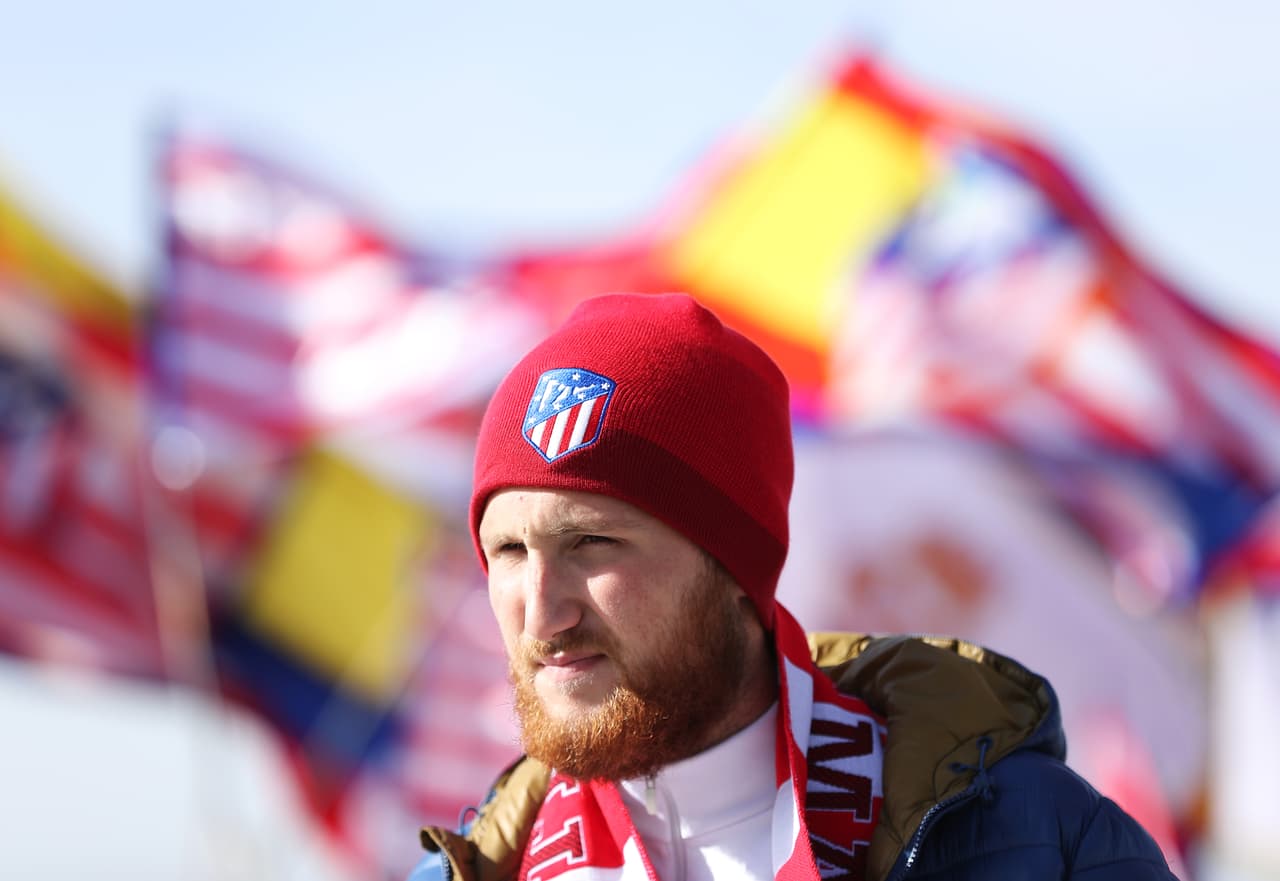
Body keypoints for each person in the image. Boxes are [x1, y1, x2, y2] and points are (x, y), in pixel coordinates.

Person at [409, 293, 1178, 881]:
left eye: (594, 543)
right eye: (508, 550)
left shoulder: (1039, 843)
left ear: (734, 569)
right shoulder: (478, 870)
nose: (543, 611)